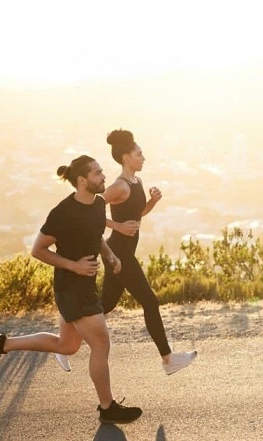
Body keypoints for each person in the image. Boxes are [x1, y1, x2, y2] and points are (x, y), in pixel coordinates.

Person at [0, 155, 142, 424]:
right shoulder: (63, 213)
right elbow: (38, 249)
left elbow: (96, 234)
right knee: (100, 343)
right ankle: (107, 407)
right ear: (82, 180)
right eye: (98, 173)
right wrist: (74, 266)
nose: (103, 176)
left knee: (66, 345)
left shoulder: (98, 204)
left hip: (84, 285)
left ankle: (1, 343)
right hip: (72, 287)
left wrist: (111, 256)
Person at [99, 128, 197, 375]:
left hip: (120, 251)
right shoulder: (119, 186)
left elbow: (137, 213)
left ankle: (62, 341)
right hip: (119, 253)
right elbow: (89, 210)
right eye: (139, 154)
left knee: (105, 305)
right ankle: (168, 359)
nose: (144, 158)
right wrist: (117, 225)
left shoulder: (136, 182)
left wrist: (152, 202)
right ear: (126, 157)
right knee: (150, 302)